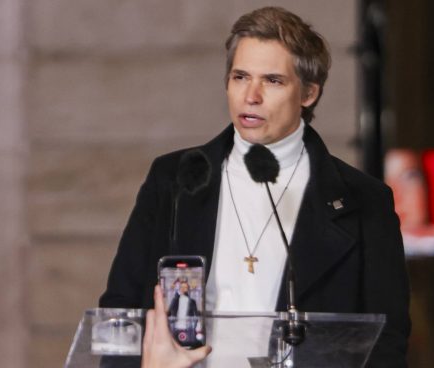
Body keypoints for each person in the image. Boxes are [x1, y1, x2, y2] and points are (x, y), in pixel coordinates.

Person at [100, 6, 410, 367]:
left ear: (308, 93)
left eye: (273, 81)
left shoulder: (364, 201)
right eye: (240, 77)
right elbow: (119, 313)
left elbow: (386, 341)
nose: (251, 96)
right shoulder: (171, 178)